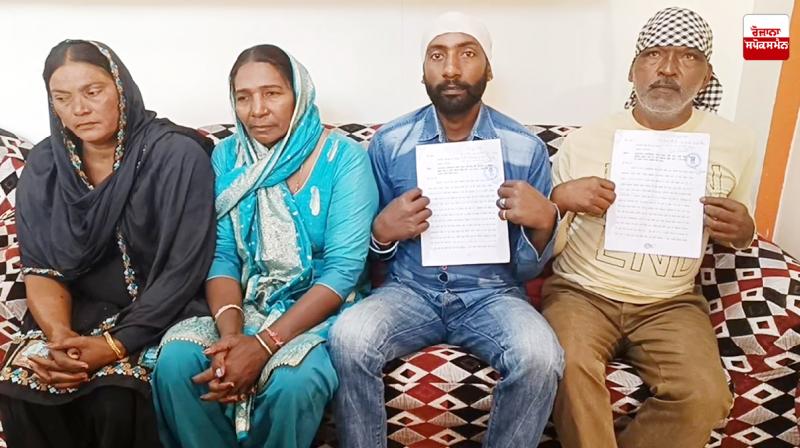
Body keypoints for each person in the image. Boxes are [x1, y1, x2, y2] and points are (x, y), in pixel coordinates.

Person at [328, 12, 564, 448]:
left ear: (488, 69)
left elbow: (528, 270)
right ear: (423, 72)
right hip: (409, 290)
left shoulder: (524, 148)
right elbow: (365, 254)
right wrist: (382, 231)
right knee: (349, 337)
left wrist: (544, 222)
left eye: (467, 54)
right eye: (437, 56)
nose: (451, 69)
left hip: (492, 295)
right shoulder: (390, 143)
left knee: (541, 356)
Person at [543, 7, 755, 448]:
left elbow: (742, 228)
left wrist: (743, 229)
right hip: (582, 292)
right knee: (569, 368)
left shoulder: (736, 143)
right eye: (654, 54)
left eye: (688, 57)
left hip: (671, 301)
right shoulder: (584, 142)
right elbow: (548, 245)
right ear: (632, 70)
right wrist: (561, 201)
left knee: (706, 395)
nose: (668, 69)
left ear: (707, 76)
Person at [152, 44, 378, 448]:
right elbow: (222, 255)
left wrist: (262, 346)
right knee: (176, 362)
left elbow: (343, 270)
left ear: (299, 94)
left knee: (295, 382)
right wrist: (232, 338)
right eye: (243, 97)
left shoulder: (344, 158)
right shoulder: (228, 157)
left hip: (319, 309)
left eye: (272, 93)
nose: (257, 110)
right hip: (247, 304)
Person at [0, 39, 216, 448]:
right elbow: (41, 268)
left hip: (162, 310)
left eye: (92, 92)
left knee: (116, 394)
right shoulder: (45, 166)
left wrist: (114, 345)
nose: (79, 109)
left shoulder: (175, 155)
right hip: (77, 315)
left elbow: (183, 269)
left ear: (121, 89)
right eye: (62, 98)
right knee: (22, 386)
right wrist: (61, 340)